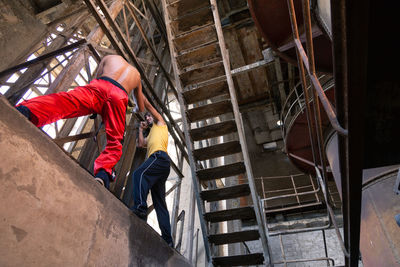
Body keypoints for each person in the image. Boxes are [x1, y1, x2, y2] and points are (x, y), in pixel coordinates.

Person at [15, 55, 145, 189]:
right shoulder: (136, 76)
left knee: (64, 102)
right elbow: (140, 107)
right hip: (119, 96)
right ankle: (103, 174)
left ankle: (26, 111)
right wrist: (130, 108)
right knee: (115, 140)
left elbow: (96, 78)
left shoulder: (110, 57)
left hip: (100, 85)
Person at [131, 96, 173, 247]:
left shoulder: (160, 123)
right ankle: (168, 240)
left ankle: (140, 208)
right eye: (146, 117)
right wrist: (140, 129)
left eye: (149, 116)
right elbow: (140, 144)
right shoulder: (150, 134)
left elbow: (148, 105)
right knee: (159, 202)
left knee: (138, 174)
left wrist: (139, 95)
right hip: (160, 166)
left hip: (160, 157)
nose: (148, 118)